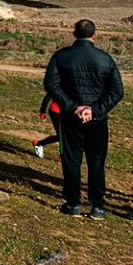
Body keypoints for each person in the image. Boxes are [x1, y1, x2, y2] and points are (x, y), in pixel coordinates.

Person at [44, 19, 124, 220]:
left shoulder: (61, 57)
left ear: (74, 34)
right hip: (97, 121)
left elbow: (51, 85)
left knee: (72, 160)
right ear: (95, 36)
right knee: (96, 162)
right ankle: (97, 206)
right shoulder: (105, 59)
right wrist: (95, 110)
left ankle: (73, 204)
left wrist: (73, 108)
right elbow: (117, 92)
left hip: (70, 120)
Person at [32, 94, 62, 158]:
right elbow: (48, 96)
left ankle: (38, 144)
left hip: (68, 113)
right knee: (62, 135)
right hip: (55, 112)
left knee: (68, 136)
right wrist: (43, 111)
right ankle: (38, 144)